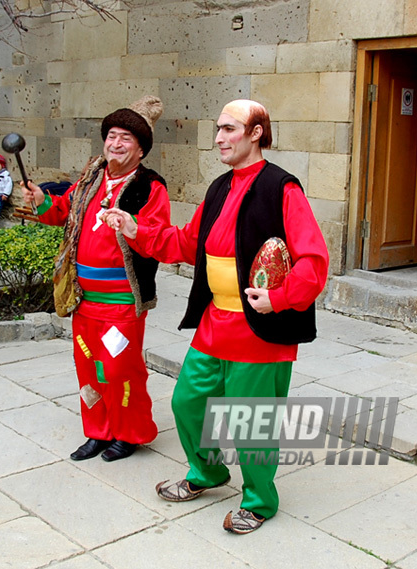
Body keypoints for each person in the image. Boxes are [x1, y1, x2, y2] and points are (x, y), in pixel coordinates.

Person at [103, 99, 329, 533]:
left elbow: (314, 262)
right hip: (214, 322)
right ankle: (207, 473)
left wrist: (279, 298)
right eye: (218, 130)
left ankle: (260, 501)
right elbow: (188, 243)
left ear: (256, 132)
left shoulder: (284, 189)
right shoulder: (219, 188)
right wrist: (135, 229)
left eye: (229, 129)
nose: (219, 138)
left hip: (261, 329)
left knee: (253, 424)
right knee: (187, 401)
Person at [21, 95, 170, 462]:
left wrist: (132, 227)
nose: (115, 144)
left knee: (119, 367)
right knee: (88, 365)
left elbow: (158, 238)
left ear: (140, 150)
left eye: (125, 139)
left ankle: (129, 432)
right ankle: (99, 431)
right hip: (84, 297)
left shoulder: (150, 187)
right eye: (112, 136)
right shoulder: (90, 179)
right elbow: (61, 213)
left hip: (120, 299)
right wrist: (41, 199)